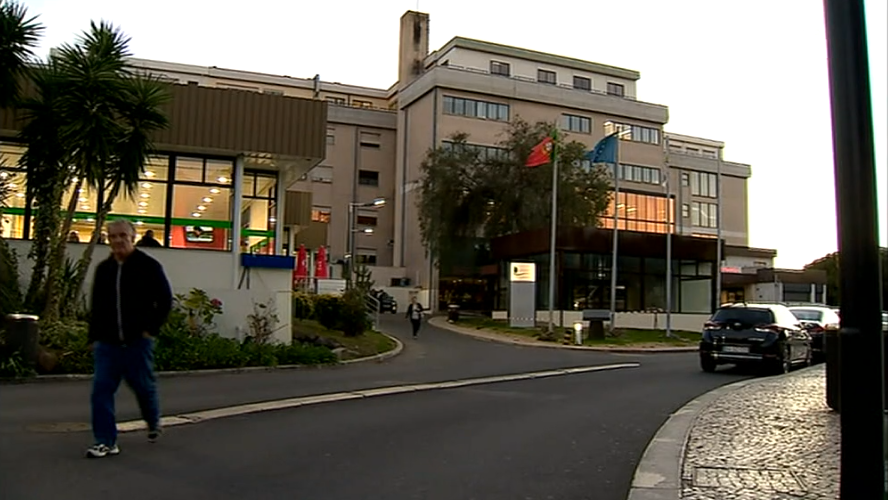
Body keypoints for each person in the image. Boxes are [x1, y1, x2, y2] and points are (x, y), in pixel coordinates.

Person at [85, 219, 173, 458]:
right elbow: (97, 306)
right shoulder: (104, 269)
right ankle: (105, 441)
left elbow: (165, 300)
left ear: (132, 237)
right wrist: (93, 337)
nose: (117, 241)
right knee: (101, 391)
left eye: (122, 236)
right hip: (108, 343)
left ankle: (153, 421)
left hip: (137, 342)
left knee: (142, 386)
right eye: (112, 237)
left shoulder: (148, 266)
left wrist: (150, 329)